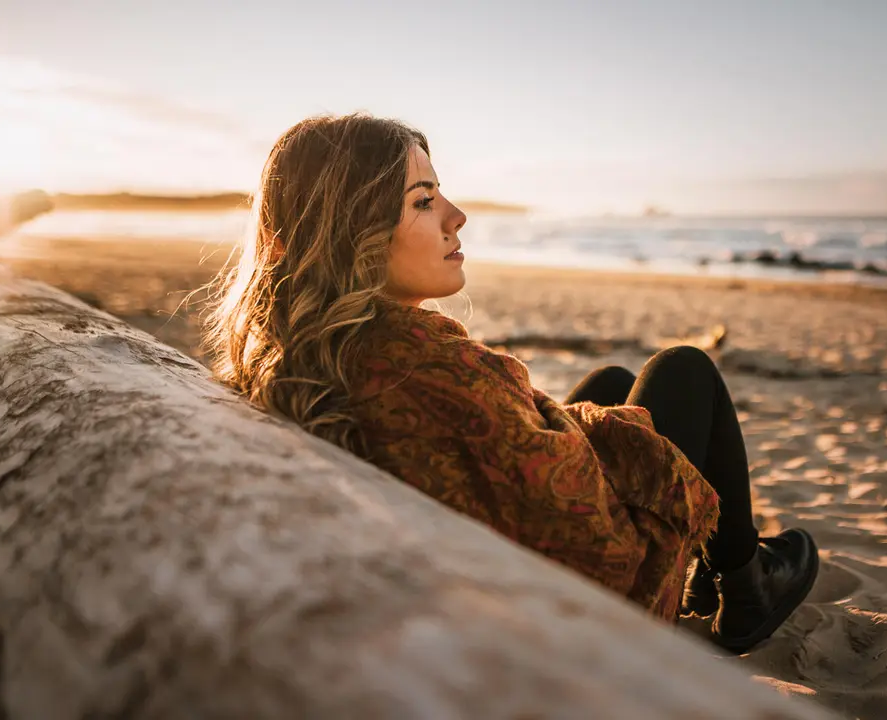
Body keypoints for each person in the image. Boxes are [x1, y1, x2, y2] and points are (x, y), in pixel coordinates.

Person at [203, 113, 819, 654]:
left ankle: (725, 570)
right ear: (349, 235)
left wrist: (595, 426)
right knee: (684, 371)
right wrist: (612, 440)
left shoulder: (317, 349)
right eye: (423, 202)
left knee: (611, 381)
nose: (456, 216)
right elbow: (587, 537)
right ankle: (745, 586)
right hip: (572, 615)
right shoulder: (421, 367)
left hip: (466, 566)